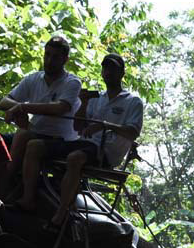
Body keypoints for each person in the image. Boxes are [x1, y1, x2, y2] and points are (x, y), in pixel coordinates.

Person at [18, 52, 144, 223]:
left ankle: (61, 214)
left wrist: (105, 125)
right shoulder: (96, 98)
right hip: (83, 144)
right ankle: (28, 198)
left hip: (105, 152)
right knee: (34, 145)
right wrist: (83, 103)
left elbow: (133, 132)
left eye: (113, 68)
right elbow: (78, 127)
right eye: (105, 68)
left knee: (74, 158)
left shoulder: (133, 101)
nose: (108, 72)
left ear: (122, 73)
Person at [0, 36, 84, 207]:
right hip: (35, 132)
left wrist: (21, 108)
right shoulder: (34, 78)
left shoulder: (72, 82)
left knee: (26, 138)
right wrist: (19, 107)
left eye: (55, 57)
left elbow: (60, 108)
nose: (49, 60)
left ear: (65, 59)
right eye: (47, 55)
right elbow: (4, 101)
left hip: (61, 139)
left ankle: (20, 193)